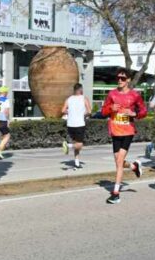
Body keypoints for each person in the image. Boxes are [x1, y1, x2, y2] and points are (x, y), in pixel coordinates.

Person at [99, 69, 146, 204]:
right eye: (118, 78)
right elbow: (103, 112)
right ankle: (134, 167)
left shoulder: (135, 95)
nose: (120, 80)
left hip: (127, 132)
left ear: (128, 80)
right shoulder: (112, 94)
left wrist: (134, 114)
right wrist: (110, 109)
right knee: (118, 161)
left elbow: (143, 111)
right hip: (115, 131)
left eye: (123, 78)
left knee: (119, 162)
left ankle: (116, 194)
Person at [61, 83, 91, 168]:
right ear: (81, 90)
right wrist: (83, 115)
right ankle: (68, 145)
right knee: (79, 145)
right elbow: (89, 111)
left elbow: (63, 110)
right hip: (79, 124)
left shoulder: (69, 99)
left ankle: (76, 162)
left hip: (70, 124)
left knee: (76, 143)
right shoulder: (84, 98)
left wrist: (71, 112)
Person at [0, 85, 11, 160]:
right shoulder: (6, 100)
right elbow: (6, 112)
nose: (7, 93)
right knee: (7, 136)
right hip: (2, 120)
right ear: (4, 92)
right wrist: (8, 120)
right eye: (7, 92)